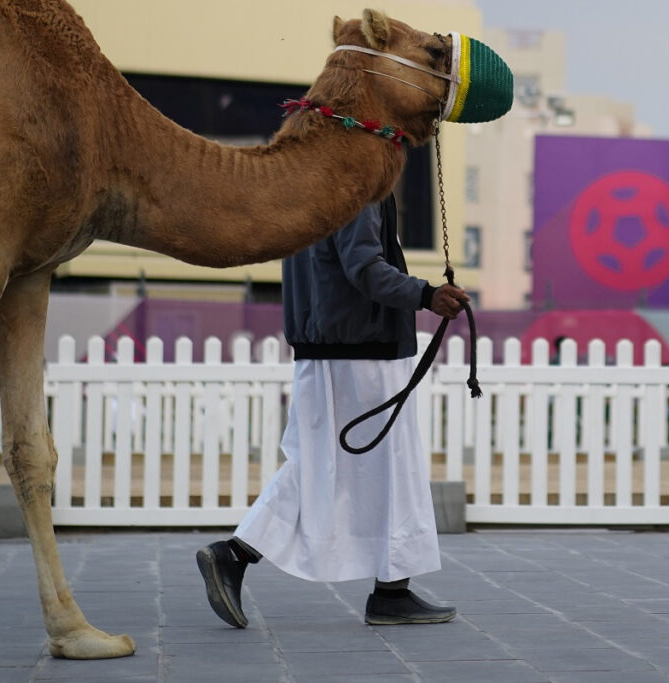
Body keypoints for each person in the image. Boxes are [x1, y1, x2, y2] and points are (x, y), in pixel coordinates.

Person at [196, 194, 469, 628]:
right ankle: (388, 594)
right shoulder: (357, 184)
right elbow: (364, 269)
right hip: (362, 351)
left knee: (318, 463)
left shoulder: (312, 178)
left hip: (325, 344)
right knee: (391, 466)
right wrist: (427, 295)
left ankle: (238, 555)